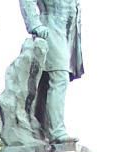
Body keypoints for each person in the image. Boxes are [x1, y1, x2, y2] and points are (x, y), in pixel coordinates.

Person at [19, 0, 83, 144]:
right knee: (60, 78)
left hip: (65, 36)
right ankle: (57, 132)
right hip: (50, 30)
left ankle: (42, 129)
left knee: (46, 83)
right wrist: (35, 25)